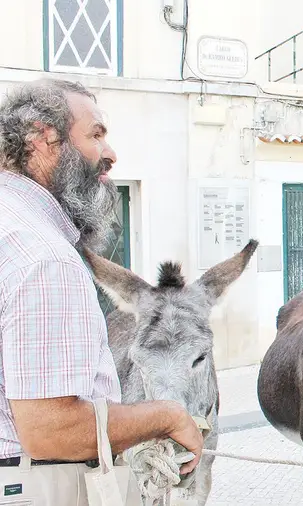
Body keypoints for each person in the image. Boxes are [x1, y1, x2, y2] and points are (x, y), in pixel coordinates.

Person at [0, 79, 203, 502]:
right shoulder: (45, 257)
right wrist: (166, 416)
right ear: (43, 137)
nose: (110, 155)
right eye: (95, 135)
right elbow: (52, 432)